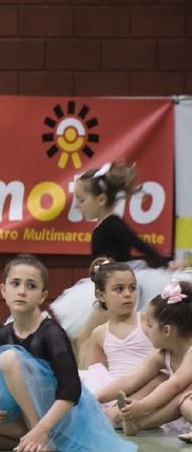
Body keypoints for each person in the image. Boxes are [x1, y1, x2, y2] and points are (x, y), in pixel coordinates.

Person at [0, 255, 136, 452]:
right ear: (3, 290)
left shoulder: (52, 333)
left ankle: (43, 435)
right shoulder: (3, 333)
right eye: (15, 284)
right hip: (25, 417)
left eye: (31, 286)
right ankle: (33, 440)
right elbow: (4, 383)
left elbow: (71, 390)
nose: (22, 291)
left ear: (43, 295)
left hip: (56, 418)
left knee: (9, 358)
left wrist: (42, 428)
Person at [51, 161, 172, 361]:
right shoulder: (103, 226)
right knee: (86, 338)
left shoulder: (112, 224)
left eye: (81, 200)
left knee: (84, 337)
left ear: (100, 199)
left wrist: (165, 264)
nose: (78, 206)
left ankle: (86, 384)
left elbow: (139, 244)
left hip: (117, 287)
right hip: (106, 286)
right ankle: (91, 379)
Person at [78, 259, 158, 420]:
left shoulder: (148, 323)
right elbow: (94, 374)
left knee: (159, 379)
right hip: (115, 392)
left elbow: (164, 362)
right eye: (119, 289)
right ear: (101, 295)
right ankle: (117, 413)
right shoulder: (99, 333)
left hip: (148, 388)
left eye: (132, 288)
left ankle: (119, 415)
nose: (128, 294)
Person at [114, 280, 192, 437]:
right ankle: (137, 423)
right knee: (181, 400)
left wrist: (143, 406)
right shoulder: (164, 354)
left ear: (167, 330)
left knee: (184, 403)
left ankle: (138, 422)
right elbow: (132, 378)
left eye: (149, 325)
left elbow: (175, 384)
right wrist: (97, 397)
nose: (146, 330)